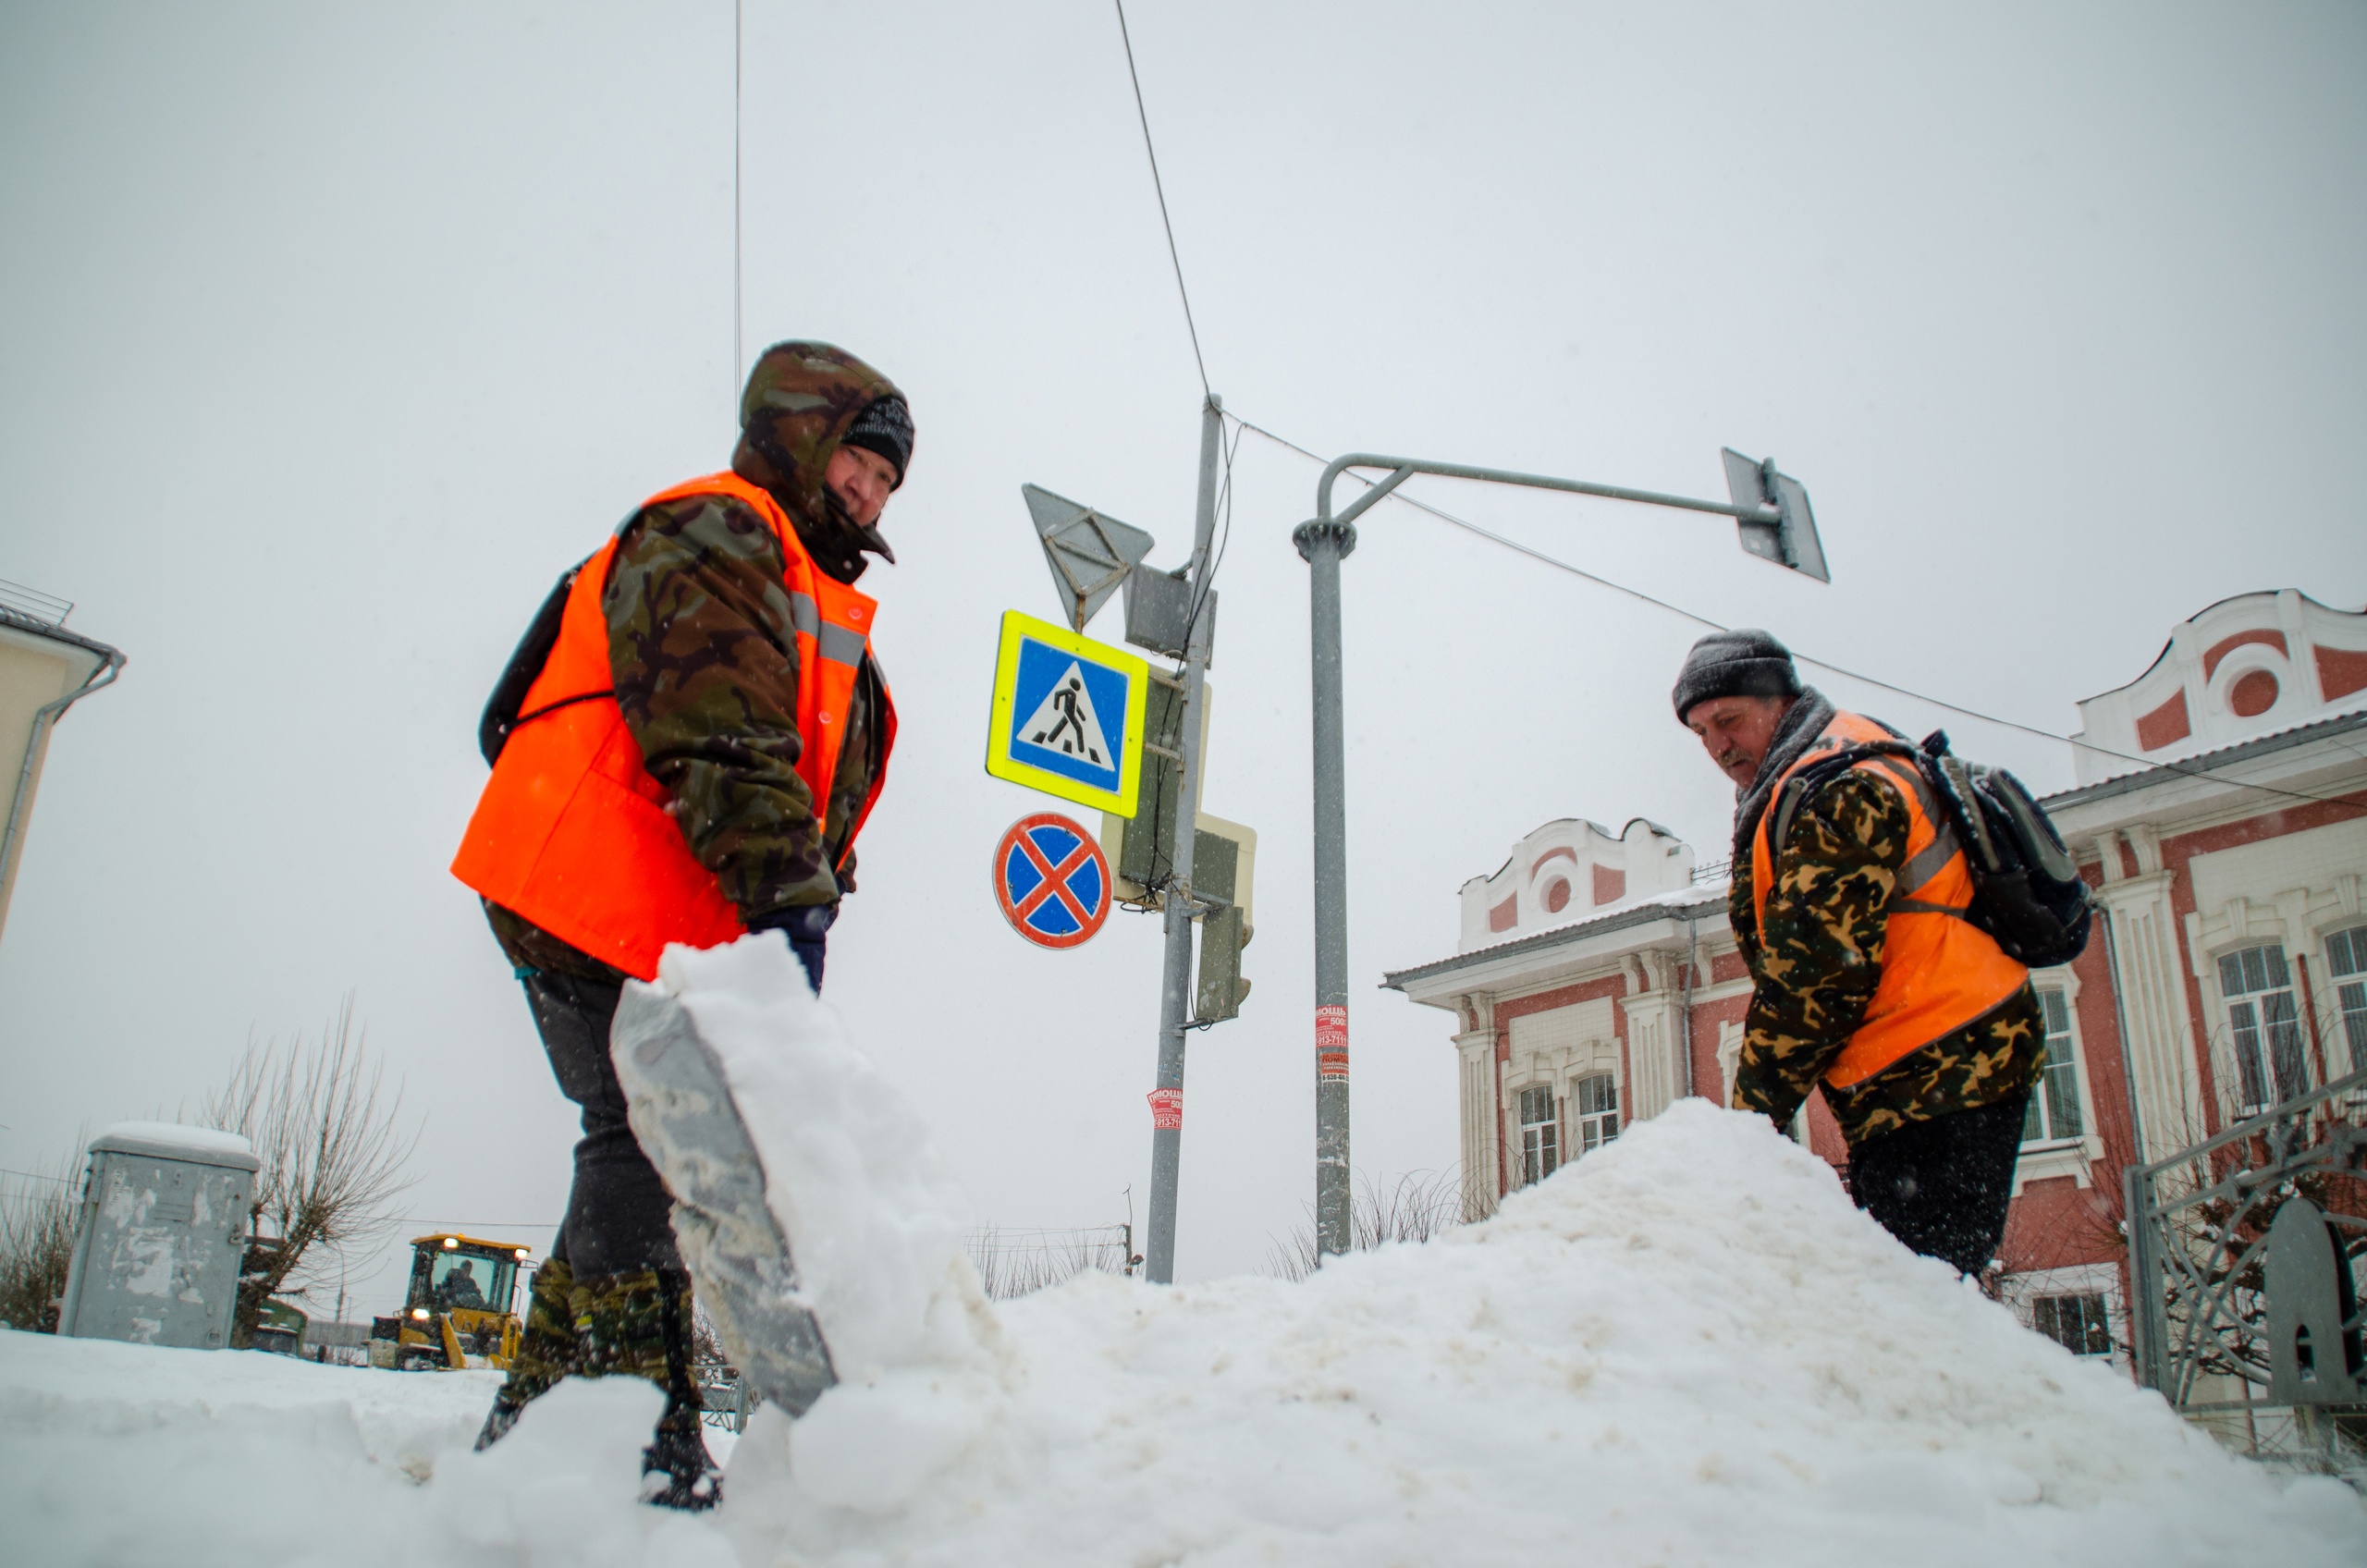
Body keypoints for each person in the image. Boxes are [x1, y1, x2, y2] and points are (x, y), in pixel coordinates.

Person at [448, 341, 913, 1509]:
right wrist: (786, 904)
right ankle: (622, 1439)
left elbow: (794, 770)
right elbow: (722, 737)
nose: (869, 495)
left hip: (655, 911)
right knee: (650, 1137)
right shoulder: (720, 529)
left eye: (886, 486)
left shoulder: (800, 578)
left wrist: (794, 898)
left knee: (639, 1132)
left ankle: (558, 1424)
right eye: (860, 463)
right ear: (803, 436)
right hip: (597, 891)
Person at [1674, 629, 2044, 1278]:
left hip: (1941, 1072)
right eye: (1701, 734)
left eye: (1728, 721)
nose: (1718, 747)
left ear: (1781, 701)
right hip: (1931, 1073)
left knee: (1923, 1304)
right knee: (1921, 1296)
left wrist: (1745, 1129)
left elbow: (1816, 977)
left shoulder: (1839, 787)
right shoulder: (1820, 767)